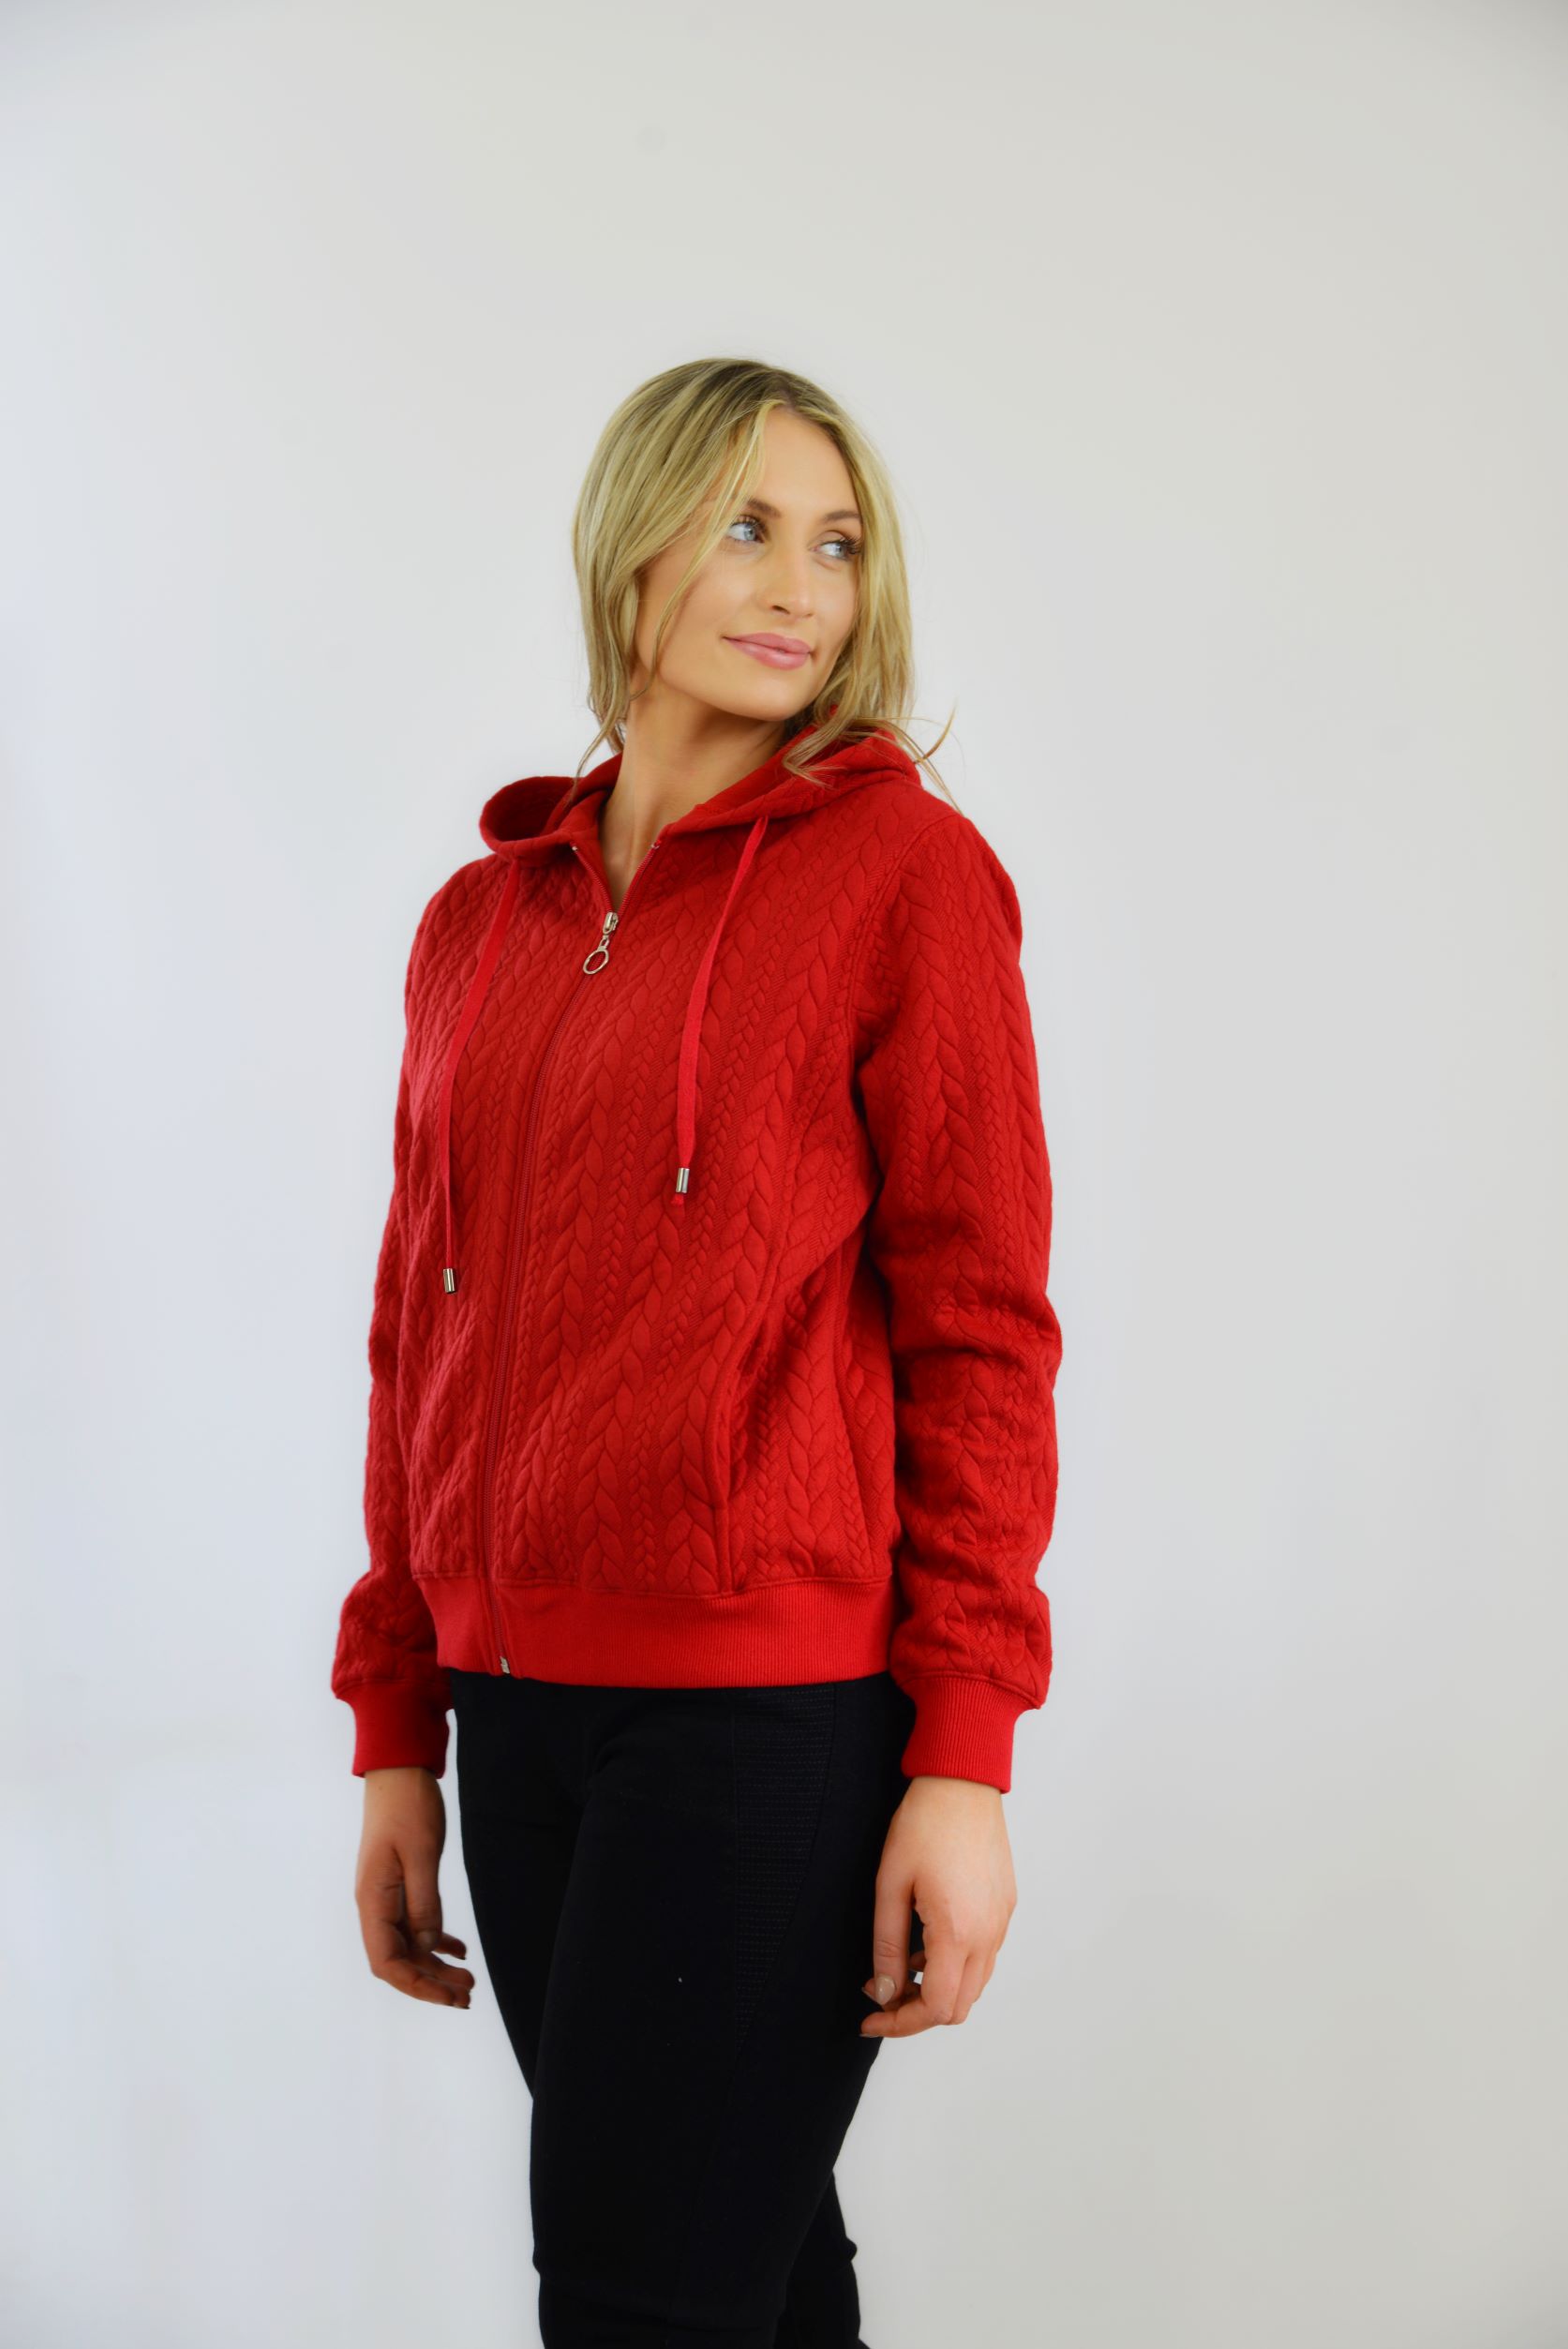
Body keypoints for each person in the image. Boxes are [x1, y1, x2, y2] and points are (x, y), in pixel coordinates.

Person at [330, 355, 1064, 2348]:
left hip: (767, 1721)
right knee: (738, 2280)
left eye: (839, 542)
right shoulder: (480, 920)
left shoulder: (904, 878)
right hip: (514, 1711)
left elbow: (982, 1324)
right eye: (746, 524)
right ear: (630, 545)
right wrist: (397, 1716)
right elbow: (415, 1331)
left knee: (640, 2295)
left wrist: (964, 1756)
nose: (801, 585)